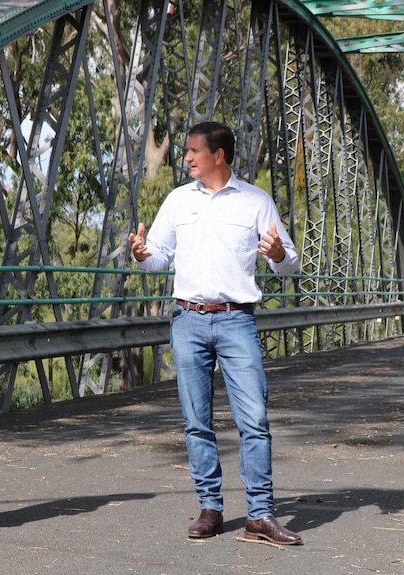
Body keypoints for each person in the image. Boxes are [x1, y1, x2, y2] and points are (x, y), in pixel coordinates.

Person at [129, 121, 303, 545]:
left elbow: (289, 263)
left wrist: (279, 254)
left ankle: (259, 515)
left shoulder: (255, 202)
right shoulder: (176, 201)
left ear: (218, 155)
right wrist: (141, 254)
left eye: (193, 151)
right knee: (196, 423)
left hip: (236, 320)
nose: (185, 157)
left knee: (255, 421)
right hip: (187, 319)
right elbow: (158, 259)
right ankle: (210, 508)